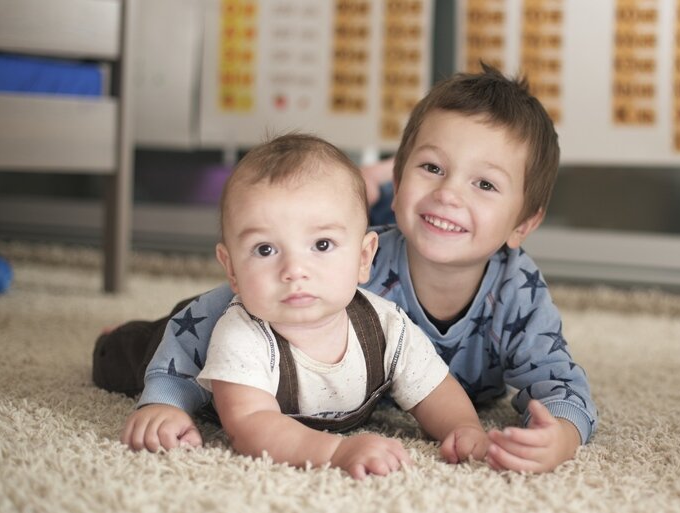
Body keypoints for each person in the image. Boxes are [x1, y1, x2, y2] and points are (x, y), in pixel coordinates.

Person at [93, 63, 597, 474]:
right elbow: (233, 306)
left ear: (523, 223)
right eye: (432, 168)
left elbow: (559, 384)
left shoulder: (517, 290)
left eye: (484, 185)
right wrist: (162, 397)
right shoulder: (345, 264)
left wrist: (560, 437)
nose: (448, 194)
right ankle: (129, 338)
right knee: (179, 338)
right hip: (241, 333)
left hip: (368, 387)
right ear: (398, 182)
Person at [120, 133, 492, 479]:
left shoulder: (386, 326)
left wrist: (463, 428)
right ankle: (117, 337)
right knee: (134, 350)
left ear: (364, 258)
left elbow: (433, 387)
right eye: (265, 250)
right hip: (187, 342)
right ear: (231, 268)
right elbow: (251, 425)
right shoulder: (241, 335)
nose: (294, 271)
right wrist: (334, 452)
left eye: (322, 245)